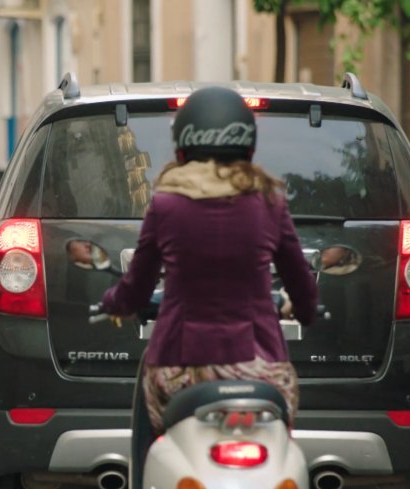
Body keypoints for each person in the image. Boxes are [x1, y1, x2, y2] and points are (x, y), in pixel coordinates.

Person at [99, 86, 319, 436]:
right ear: (248, 142)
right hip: (260, 369)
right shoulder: (269, 203)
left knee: (151, 432)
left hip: (179, 370)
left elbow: (136, 289)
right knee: (279, 439)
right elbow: (301, 285)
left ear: (182, 144)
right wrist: (306, 311)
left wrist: (113, 301)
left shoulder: (166, 205)